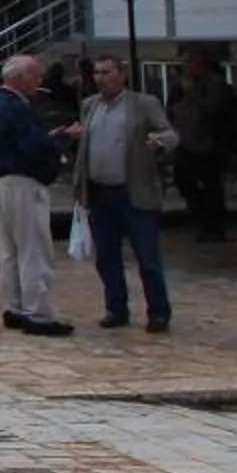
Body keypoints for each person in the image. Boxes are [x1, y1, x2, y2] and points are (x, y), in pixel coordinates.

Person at [69, 56, 182, 331]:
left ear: (122, 75)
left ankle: (158, 311)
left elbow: (170, 135)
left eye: (106, 72)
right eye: (97, 72)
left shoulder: (143, 104)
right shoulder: (89, 105)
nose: (100, 77)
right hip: (99, 193)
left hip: (134, 192)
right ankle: (116, 308)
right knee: (106, 257)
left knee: (147, 257)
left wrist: (153, 142)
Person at [0, 54, 74, 335]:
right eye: (35, 76)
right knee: (34, 247)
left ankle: (14, 306)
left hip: (0, 182)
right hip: (22, 181)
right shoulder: (15, 107)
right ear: (19, 78)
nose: (40, 82)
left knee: (9, 248)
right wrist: (63, 139)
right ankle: (38, 312)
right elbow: (32, 147)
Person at [169, 50, 232, 242]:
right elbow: (172, 108)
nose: (189, 68)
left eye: (193, 64)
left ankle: (214, 225)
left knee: (211, 185)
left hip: (208, 143)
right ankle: (200, 216)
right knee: (183, 179)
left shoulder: (215, 84)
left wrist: (192, 94)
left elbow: (213, 109)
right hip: (185, 140)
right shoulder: (180, 86)